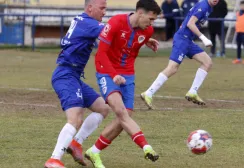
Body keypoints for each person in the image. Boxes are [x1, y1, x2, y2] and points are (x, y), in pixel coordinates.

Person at [83, 0, 162, 167]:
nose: (152, 23)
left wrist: (147, 40)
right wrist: (113, 75)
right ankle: (146, 147)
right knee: (120, 111)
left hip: (128, 74)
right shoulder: (116, 22)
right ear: (140, 13)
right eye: (151, 19)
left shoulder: (147, 30)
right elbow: (101, 54)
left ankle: (94, 152)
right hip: (107, 71)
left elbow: (136, 38)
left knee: (125, 116)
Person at [44, 0, 110, 167]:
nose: (104, 12)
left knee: (102, 108)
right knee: (76, 118)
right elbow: (111, 31)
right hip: (65, 75)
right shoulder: (89, 23)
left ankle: (75, 143)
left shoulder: (83, 20)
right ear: (90, 8)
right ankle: (54, 159)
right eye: (102, 8)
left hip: (73, 75)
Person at [141, 0, 219, 109]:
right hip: (182, 39)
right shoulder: (204, 5)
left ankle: (193, 92)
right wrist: (203, 38)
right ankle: (148, 93)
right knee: (172, 68)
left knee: (207, 62)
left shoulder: (209, 7)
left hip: (188, 41)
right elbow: (190, 23)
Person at [232, 0, 244, 65]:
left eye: (243, 5)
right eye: (241, 5)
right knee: (238, 46)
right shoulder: (238, 13)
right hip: (238, 32)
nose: (242, 7)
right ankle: (238, 58)